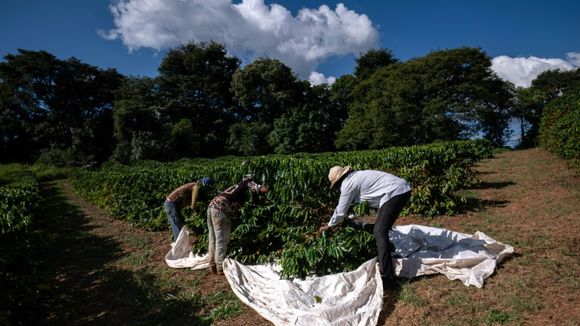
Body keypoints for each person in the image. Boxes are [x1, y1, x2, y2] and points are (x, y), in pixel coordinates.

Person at [319, 166, 412, 290]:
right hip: (401, 189)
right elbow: (365, 203)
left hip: (394, 192)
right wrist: (350, 217)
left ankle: (388, 277)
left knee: (379, 231)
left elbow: (341, 210)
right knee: (381, 228)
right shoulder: (356, 177)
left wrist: (330, 225)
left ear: (338, 181)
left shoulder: (347, 184)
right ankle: (387, 252)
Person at [207, 175, 269, 275]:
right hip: (221, 209)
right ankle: (220, 267)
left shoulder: (236, 186)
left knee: (212, 238)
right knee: (221, 239)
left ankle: (211, 265)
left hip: (211, 207)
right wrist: (270, 189)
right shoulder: (247, 183)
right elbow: (261, 189)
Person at [164, 177, 214, 241]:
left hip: (172, 204)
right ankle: (178, 245)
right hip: (171, 204)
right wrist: (193, 206)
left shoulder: (193, 185)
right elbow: (195, 190)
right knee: (177, 225)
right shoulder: (195, 185)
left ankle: (178, 243)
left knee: (180, 223)